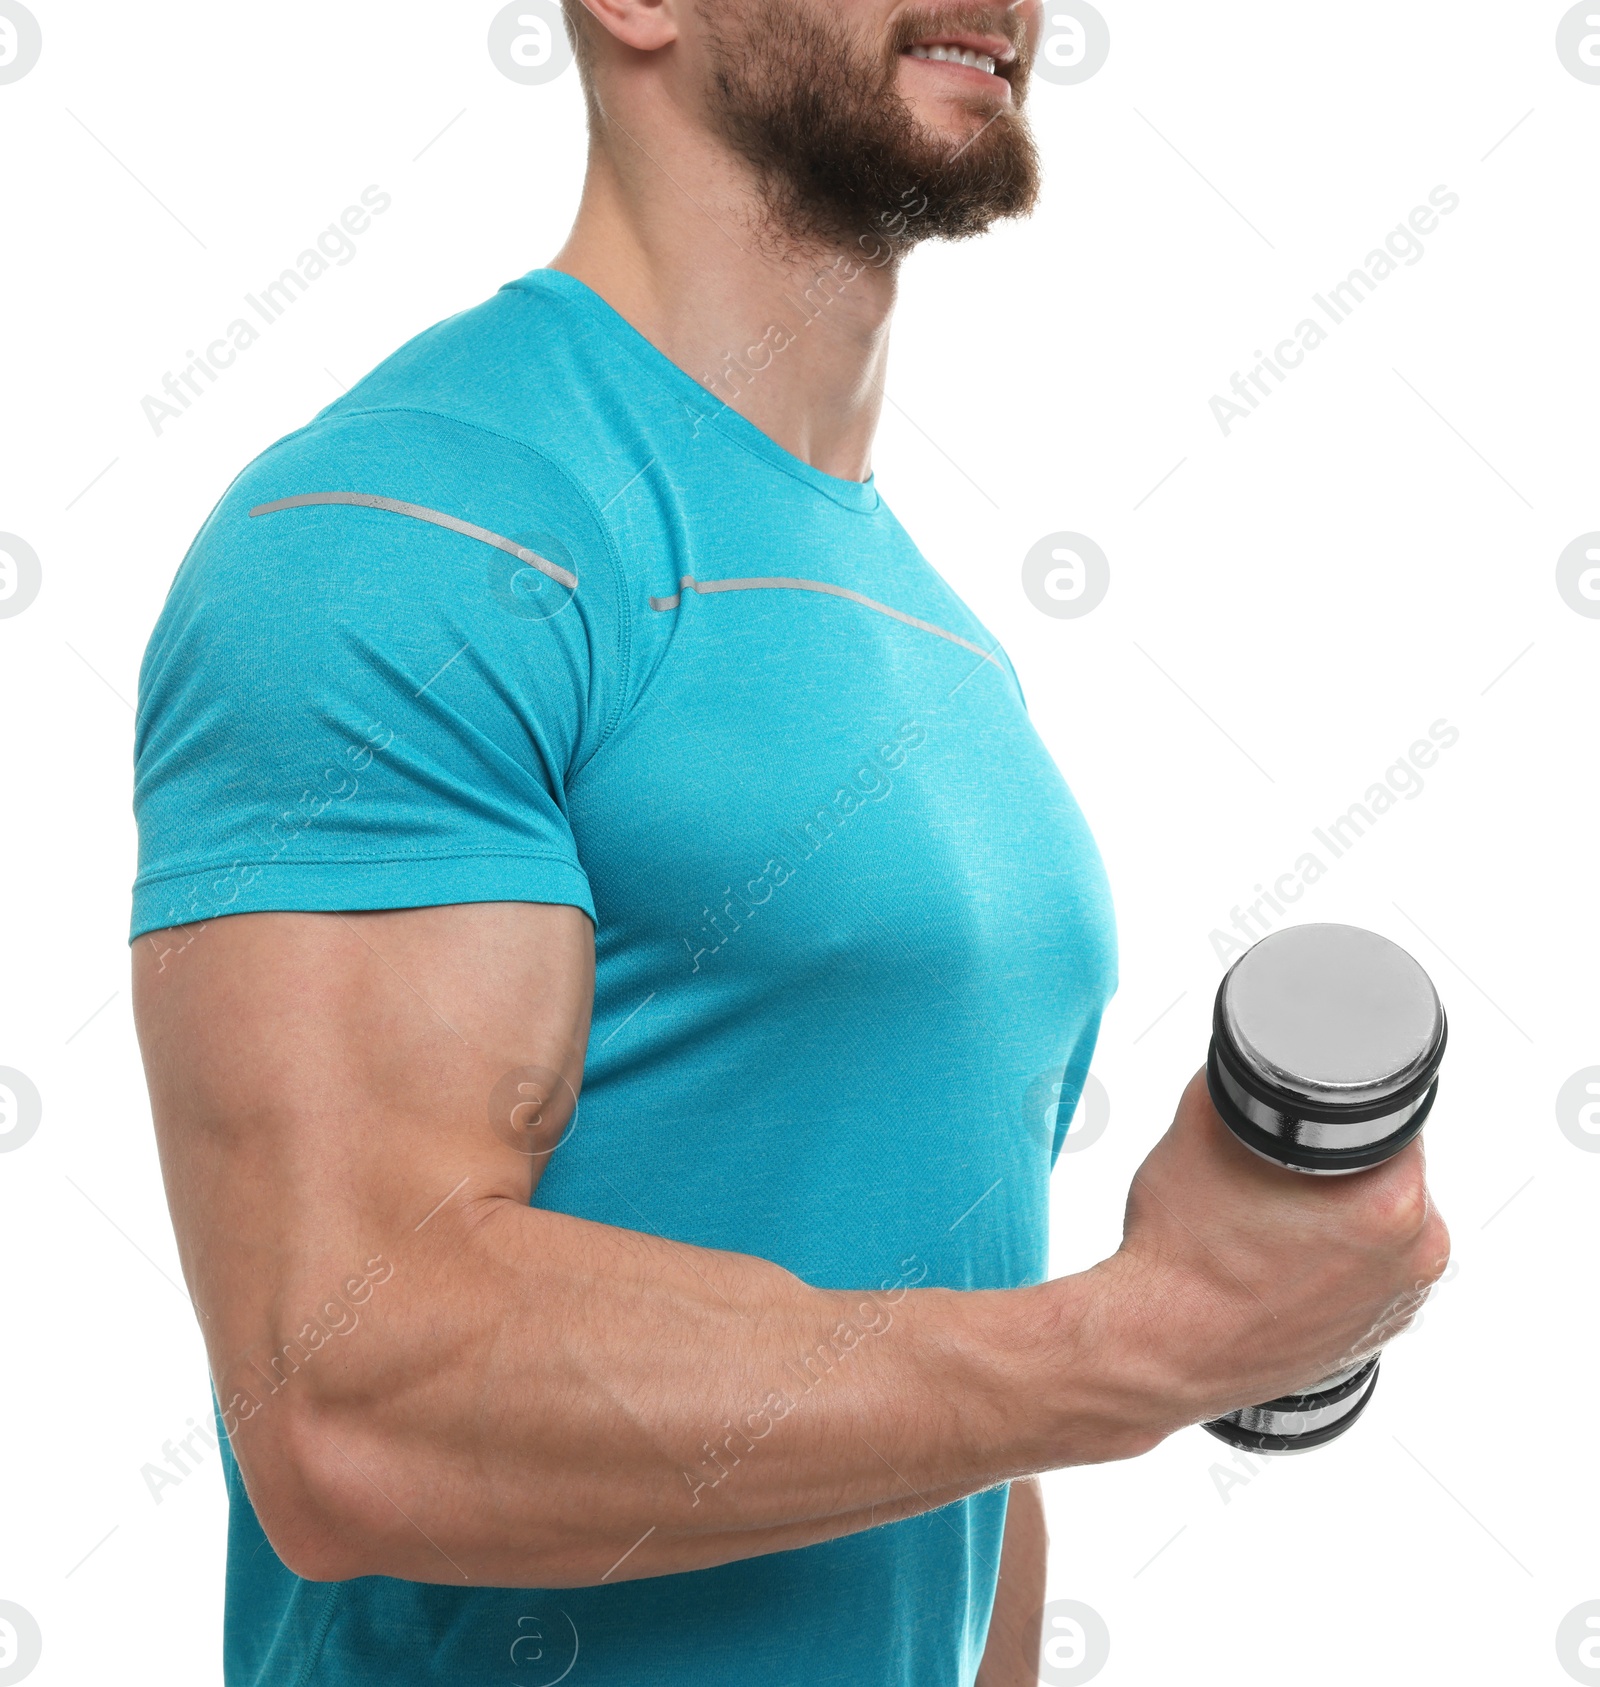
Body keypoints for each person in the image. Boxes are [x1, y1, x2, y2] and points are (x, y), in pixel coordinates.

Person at [129, 3, 1451, 1683]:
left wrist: (1085, 1371)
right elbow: (349, 1403)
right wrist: (1137, 1346)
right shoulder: (406, 532)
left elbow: (946, 1414)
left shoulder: (950, 656)